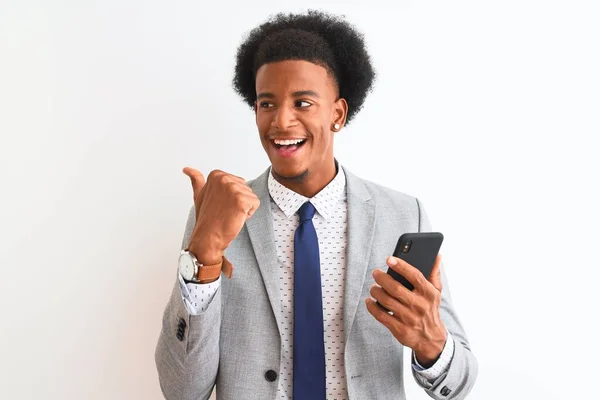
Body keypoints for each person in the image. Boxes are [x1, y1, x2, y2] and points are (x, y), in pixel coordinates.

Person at [155, 10, 477, 400]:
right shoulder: (216, 215)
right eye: (266, 104)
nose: (281, 122)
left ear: (337, 113)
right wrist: (203, 256)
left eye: (303, 103)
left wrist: (432, 343)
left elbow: (458, 385)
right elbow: (181, 390)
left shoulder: (404, 214)